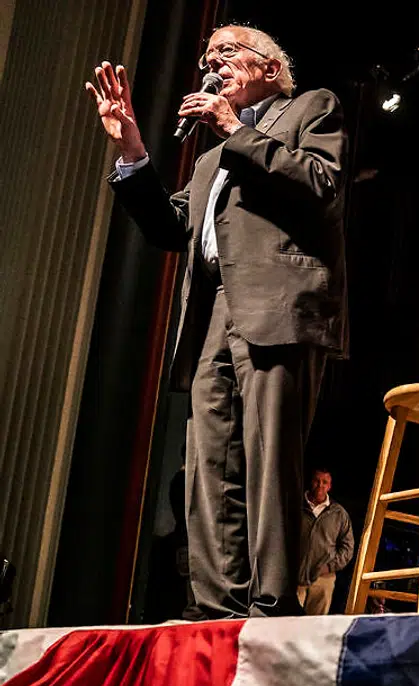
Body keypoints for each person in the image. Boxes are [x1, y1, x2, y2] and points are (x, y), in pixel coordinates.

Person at [91, 29, 346, 619]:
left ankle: (271, 606)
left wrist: (236, 129)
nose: (211, 65)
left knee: (269, 453)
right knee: (209, 460)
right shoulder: (209, 159)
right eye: (206, 59)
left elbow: (322, 186)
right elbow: (166, 226)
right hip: (213, 311)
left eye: (225, 54)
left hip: (280, 305)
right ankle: (215, 608)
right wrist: (131, 149)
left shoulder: (310, 108)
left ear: (270, 65)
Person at [297, 468, 354, 615]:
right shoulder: (295, 506)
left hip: (323, 580)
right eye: (317, 481)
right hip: (294, 578)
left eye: (325, 482)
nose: (320, 485)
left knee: (315, 626)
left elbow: (348, 548)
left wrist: (329, 567)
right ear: (311, 482)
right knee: (288, 622)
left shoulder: (339, 514)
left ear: (329, 486)